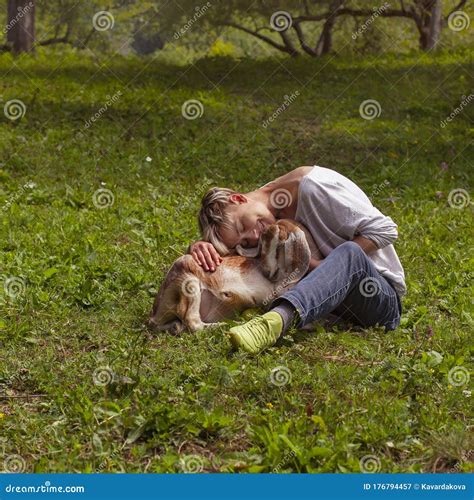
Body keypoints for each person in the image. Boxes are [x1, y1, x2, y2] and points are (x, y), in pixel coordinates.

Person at [189, 166, 405, 354]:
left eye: (243, 227)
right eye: (244, 242)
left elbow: (385, 229)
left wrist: (327, 269)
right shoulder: (264, 219)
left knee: (350, 253)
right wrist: (200, 246)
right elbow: (235, 255)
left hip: (377, 298)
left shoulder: (316, 188)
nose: (253, 238)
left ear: (238, 198)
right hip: (330, 307)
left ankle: (276, 322)